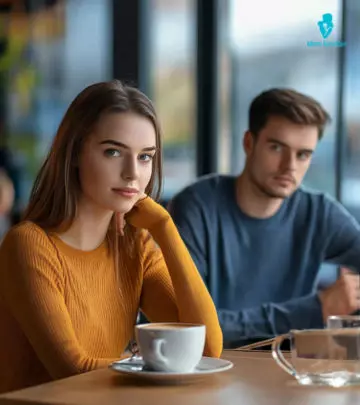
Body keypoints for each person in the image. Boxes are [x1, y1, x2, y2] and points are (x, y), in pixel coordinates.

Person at [0, 80, 222, 394]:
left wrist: (165, 228)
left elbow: (207, 348)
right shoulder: (28, 245)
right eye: (114, 152)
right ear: (75, 152)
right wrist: (147, 359)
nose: (133, 173)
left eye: (145, 157)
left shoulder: (137, 245)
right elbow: (72, 370)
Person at [168, 88, 360, 349]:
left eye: (303, 154)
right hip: (210, 371)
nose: (289, 166)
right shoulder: (196, 208)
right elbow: (186, 326)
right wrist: (314, 309)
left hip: (292, 374)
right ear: (249, 143)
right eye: (276, 147)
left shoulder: (319, 213)